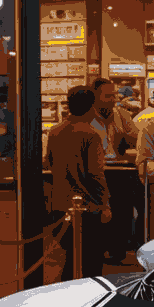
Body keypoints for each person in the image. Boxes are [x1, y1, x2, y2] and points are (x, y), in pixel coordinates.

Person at [41, 86, 111, 283]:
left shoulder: (55, 132)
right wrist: (105, 205)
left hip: (60, 204)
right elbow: (95, 173)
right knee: (91, 261)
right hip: (87, 207)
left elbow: (49, 163)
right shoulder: (91, 134)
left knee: (70, 258)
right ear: (91, 108)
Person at [90, 78, 143, 263]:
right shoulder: (87, 118)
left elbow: (137, 139)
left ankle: (118, 251)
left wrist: (126, 138)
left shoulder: (121, 115)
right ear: (95, 96)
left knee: (123, 212)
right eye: (108, 96)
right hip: (97, 171)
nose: (113, 99)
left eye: (114, 95)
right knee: (100, 213)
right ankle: (99, 250)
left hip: (119, 170)